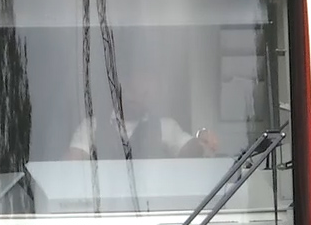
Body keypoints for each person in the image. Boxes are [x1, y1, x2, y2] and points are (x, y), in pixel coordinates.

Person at [66, 63, 218, 161]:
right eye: (133, 90)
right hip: (105, 208)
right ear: (121, 90)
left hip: (151, 208)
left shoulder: (166, 127)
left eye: (145, 93)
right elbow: (73, 162)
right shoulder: (91, 127)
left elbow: (187, 149)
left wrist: (201, 140)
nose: (137, 97)